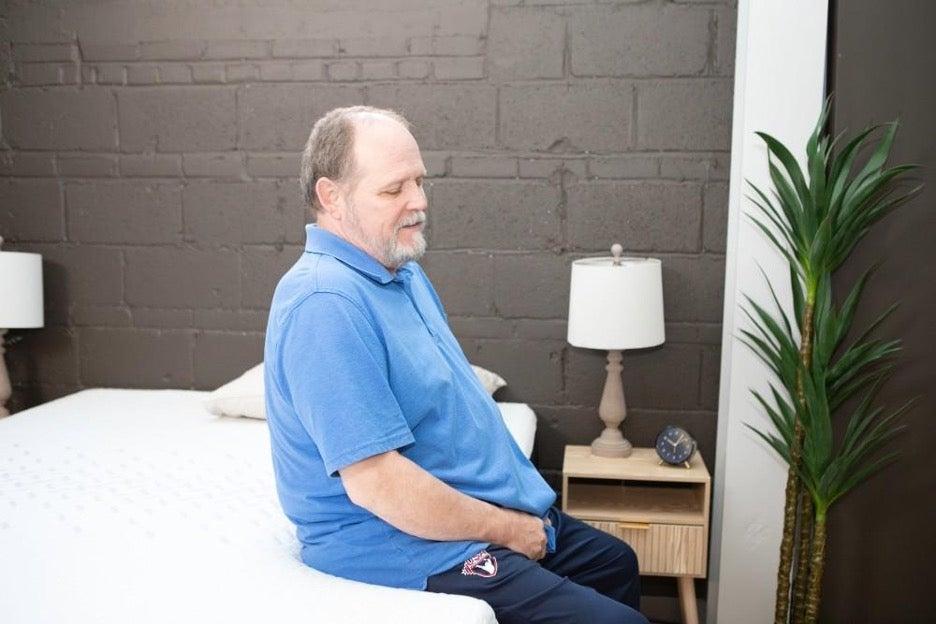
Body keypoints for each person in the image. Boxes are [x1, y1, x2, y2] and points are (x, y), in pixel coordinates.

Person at [263, 105, 649, 624]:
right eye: (393, 189)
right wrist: (508, 530)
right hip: (398, 543)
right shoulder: (324, 303)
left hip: (461, 509)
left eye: (419, 182)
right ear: (330, 196)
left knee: (616, 563)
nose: (418, 202)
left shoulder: (399, 272)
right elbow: (377, 483)